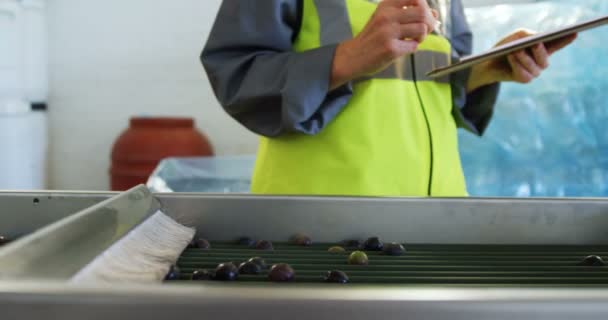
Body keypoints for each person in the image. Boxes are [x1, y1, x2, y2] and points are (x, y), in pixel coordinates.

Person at [201, 0, 576, 197]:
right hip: (321, 227)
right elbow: (236, 76)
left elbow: (428, 90)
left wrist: (486, 69)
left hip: (437, 222)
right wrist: (347, 58)